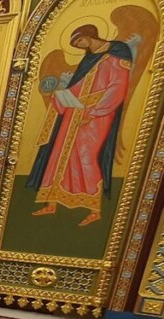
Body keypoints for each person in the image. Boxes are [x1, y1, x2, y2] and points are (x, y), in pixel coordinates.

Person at [26, 24, 135, 227]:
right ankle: (51, 203)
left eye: (80, 41)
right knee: (59, 155)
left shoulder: (117, 54)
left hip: (98, 115)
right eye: (76, 44)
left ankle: (94, 209)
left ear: (89, 35)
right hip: (73, 112)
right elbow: (78, 87)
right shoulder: (88, 60)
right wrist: (58, 96)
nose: (79, 45)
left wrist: (94, 112)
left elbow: (118, 87)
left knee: (86, 156)